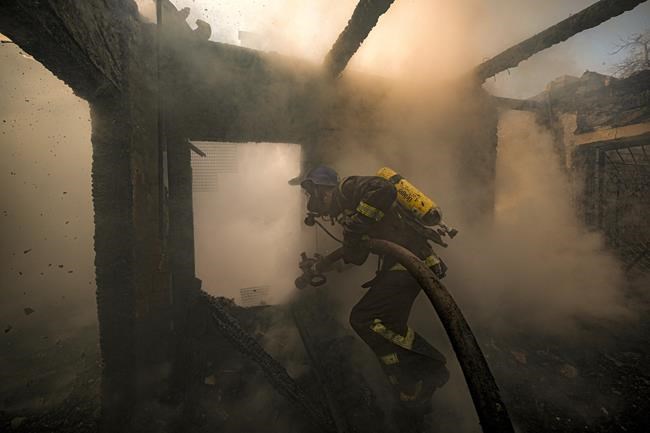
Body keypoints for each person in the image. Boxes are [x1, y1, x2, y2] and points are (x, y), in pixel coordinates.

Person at [300, 165, 450, 432]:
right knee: (389, 324)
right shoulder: (351, 210)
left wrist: (356, 227)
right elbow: (355, 255)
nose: (323, 212)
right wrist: (323, 264)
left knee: (363, 318)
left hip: (409, 264)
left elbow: (384, 189)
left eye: (314, 197)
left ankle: (431, 365)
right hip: (402, 265)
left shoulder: (347, 188)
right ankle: (410, 386)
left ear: (322, 190)